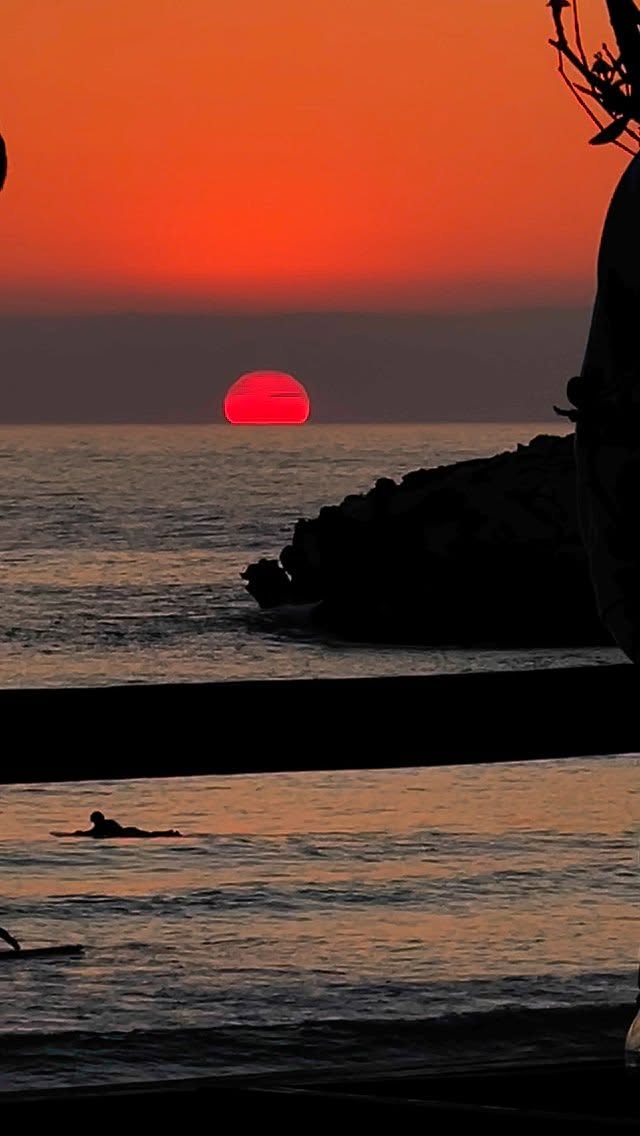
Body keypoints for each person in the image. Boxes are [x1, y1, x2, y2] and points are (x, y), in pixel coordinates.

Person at [71, 810, 182, 838]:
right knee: (150, 834)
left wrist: (78, 834)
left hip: (128, 833)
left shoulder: (101, 826)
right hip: (129, 830)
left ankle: (169, 833)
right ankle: (169, 833)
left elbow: (91, 833)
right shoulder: (109, 822)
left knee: (150, 835)